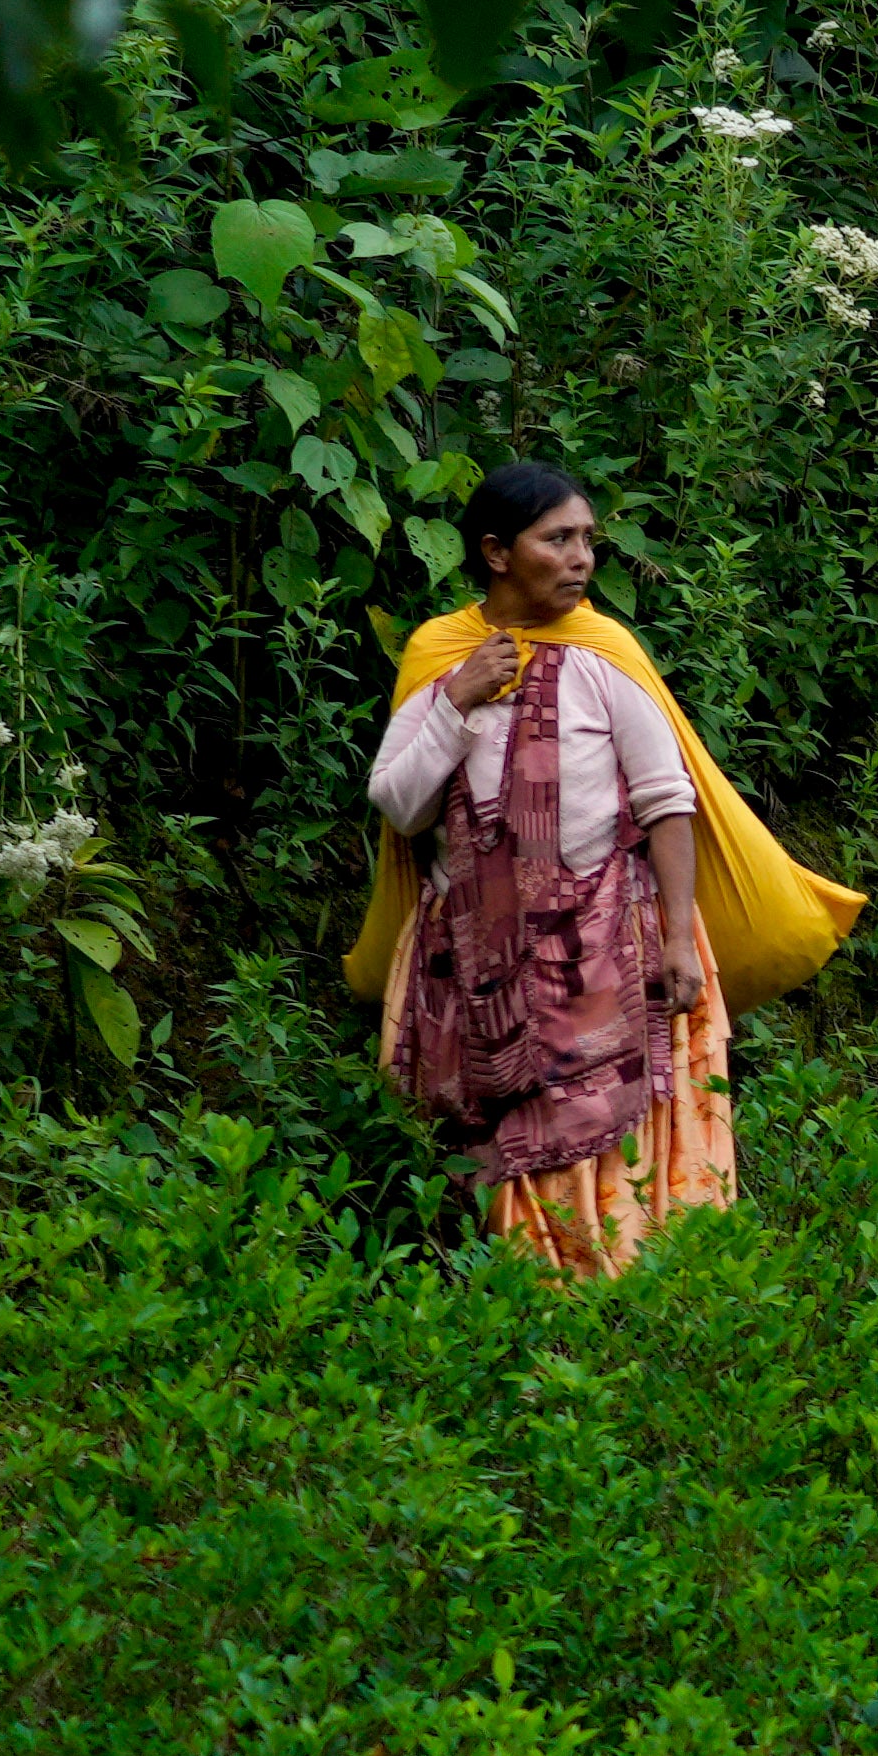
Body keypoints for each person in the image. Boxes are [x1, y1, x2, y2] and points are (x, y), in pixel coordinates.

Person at [363, 463, 746, 1278]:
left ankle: (609, 1295)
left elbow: (664, 800)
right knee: (494, 1143)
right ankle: (521, 1303)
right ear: (497, 553)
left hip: (602, 953)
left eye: (586, 540)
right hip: (472, 962)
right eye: (558, 539)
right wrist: (458, 700)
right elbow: (399, 809)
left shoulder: (604, 653)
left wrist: (680, 939)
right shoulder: (444, 656)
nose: (582, 559)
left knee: (605, 1136)